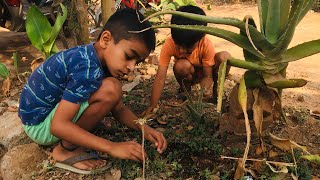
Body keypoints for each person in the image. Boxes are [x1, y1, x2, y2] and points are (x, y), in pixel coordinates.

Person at [18, 8, 167, 174]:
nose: (132, 67)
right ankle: (64, 150)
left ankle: (71, 140)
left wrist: (143, 128)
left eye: (137, 62)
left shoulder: (91, 55)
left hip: (39, 116)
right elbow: (58, 126)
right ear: (105, 39)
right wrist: (112, 147)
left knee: (112, 89)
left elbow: (117, 108)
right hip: (39, 124)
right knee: (111, 89)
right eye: (129, 56)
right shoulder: (87, 69)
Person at [145, 5, 231, 113]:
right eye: (178, 44)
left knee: (225, 57)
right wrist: (152, 105)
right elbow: (160, 76)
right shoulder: (169, 43)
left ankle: (216, 93)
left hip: (204, 72)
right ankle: (185, 92)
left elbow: (207, 75)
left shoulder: (206, 44)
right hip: (188, 72)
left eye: (188, 47)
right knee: (181, 65)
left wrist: (206, 88)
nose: (181, 50)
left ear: (201, 37)